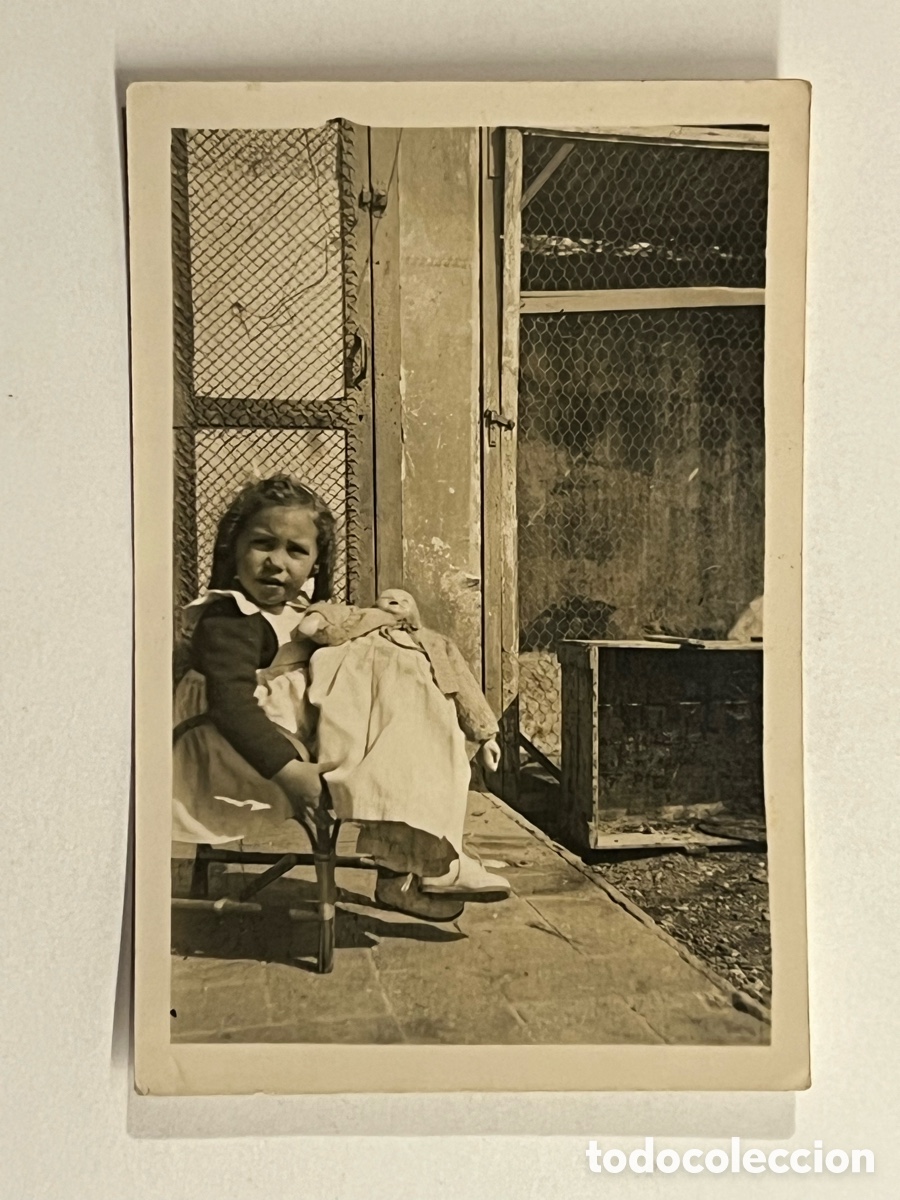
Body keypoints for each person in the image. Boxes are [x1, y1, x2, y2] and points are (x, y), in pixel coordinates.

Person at [172, 474, 506, 922]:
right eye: (262, 544)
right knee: (394, 721)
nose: (276, 563)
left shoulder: (294, 613)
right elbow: (230, 706)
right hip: (230, 750)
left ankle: (411, 864)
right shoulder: (231, 617)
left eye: (296, 551)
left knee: (404, 686)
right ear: (234, 549)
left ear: (315, 564)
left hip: (283, 734)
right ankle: (426, 860)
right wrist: (289, 771)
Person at [297, 588, 510, 901]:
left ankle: (431, 867)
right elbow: (318, 627)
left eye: (405, 598)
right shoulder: (358, 623)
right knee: (388, 768)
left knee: (440, 762)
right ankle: (425, 871)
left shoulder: (434, 642)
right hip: (365, 708)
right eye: (387, 597)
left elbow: (463, 684)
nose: (395, 599)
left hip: (418, 709)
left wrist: (486, 734)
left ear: (416, 613)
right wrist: (322, 616)